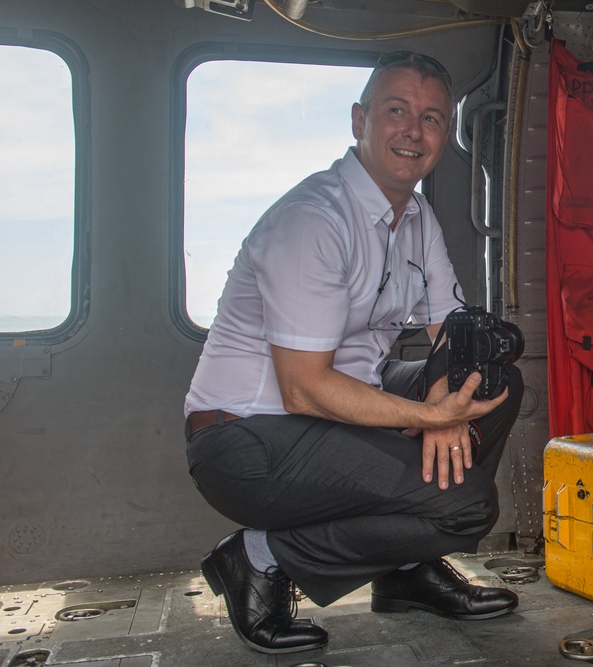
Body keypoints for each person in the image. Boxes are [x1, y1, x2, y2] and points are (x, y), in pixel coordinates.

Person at [183, 51, 524, 655]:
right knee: (466, 507)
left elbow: (454, 328)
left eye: (432, 118)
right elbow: (304, 388)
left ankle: (405, 572)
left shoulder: (417, 217)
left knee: (495, 384)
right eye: (396, 111)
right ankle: (257, 556)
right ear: (358, 121)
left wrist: (449, 400)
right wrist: (430, 419)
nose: (414, 131)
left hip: (336, 413)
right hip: (249, 438)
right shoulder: (312, 221)